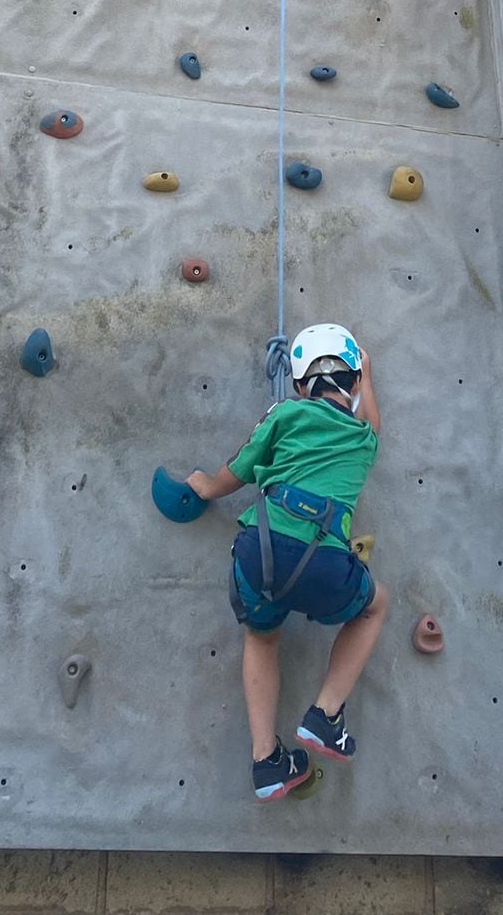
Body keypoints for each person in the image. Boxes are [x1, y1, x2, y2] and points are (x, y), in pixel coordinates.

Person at [185, 323, 389, 801]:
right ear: (354, 385)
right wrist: (370, 379)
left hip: (263, 554)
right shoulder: (363, 439)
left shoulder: (284, 412)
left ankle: (266, 762)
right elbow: (373, 422)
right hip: (325, 563)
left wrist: (207, 487)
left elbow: (238, 468)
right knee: (375, 605)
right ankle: (325, 713)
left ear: (299, 384)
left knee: (262, 636)